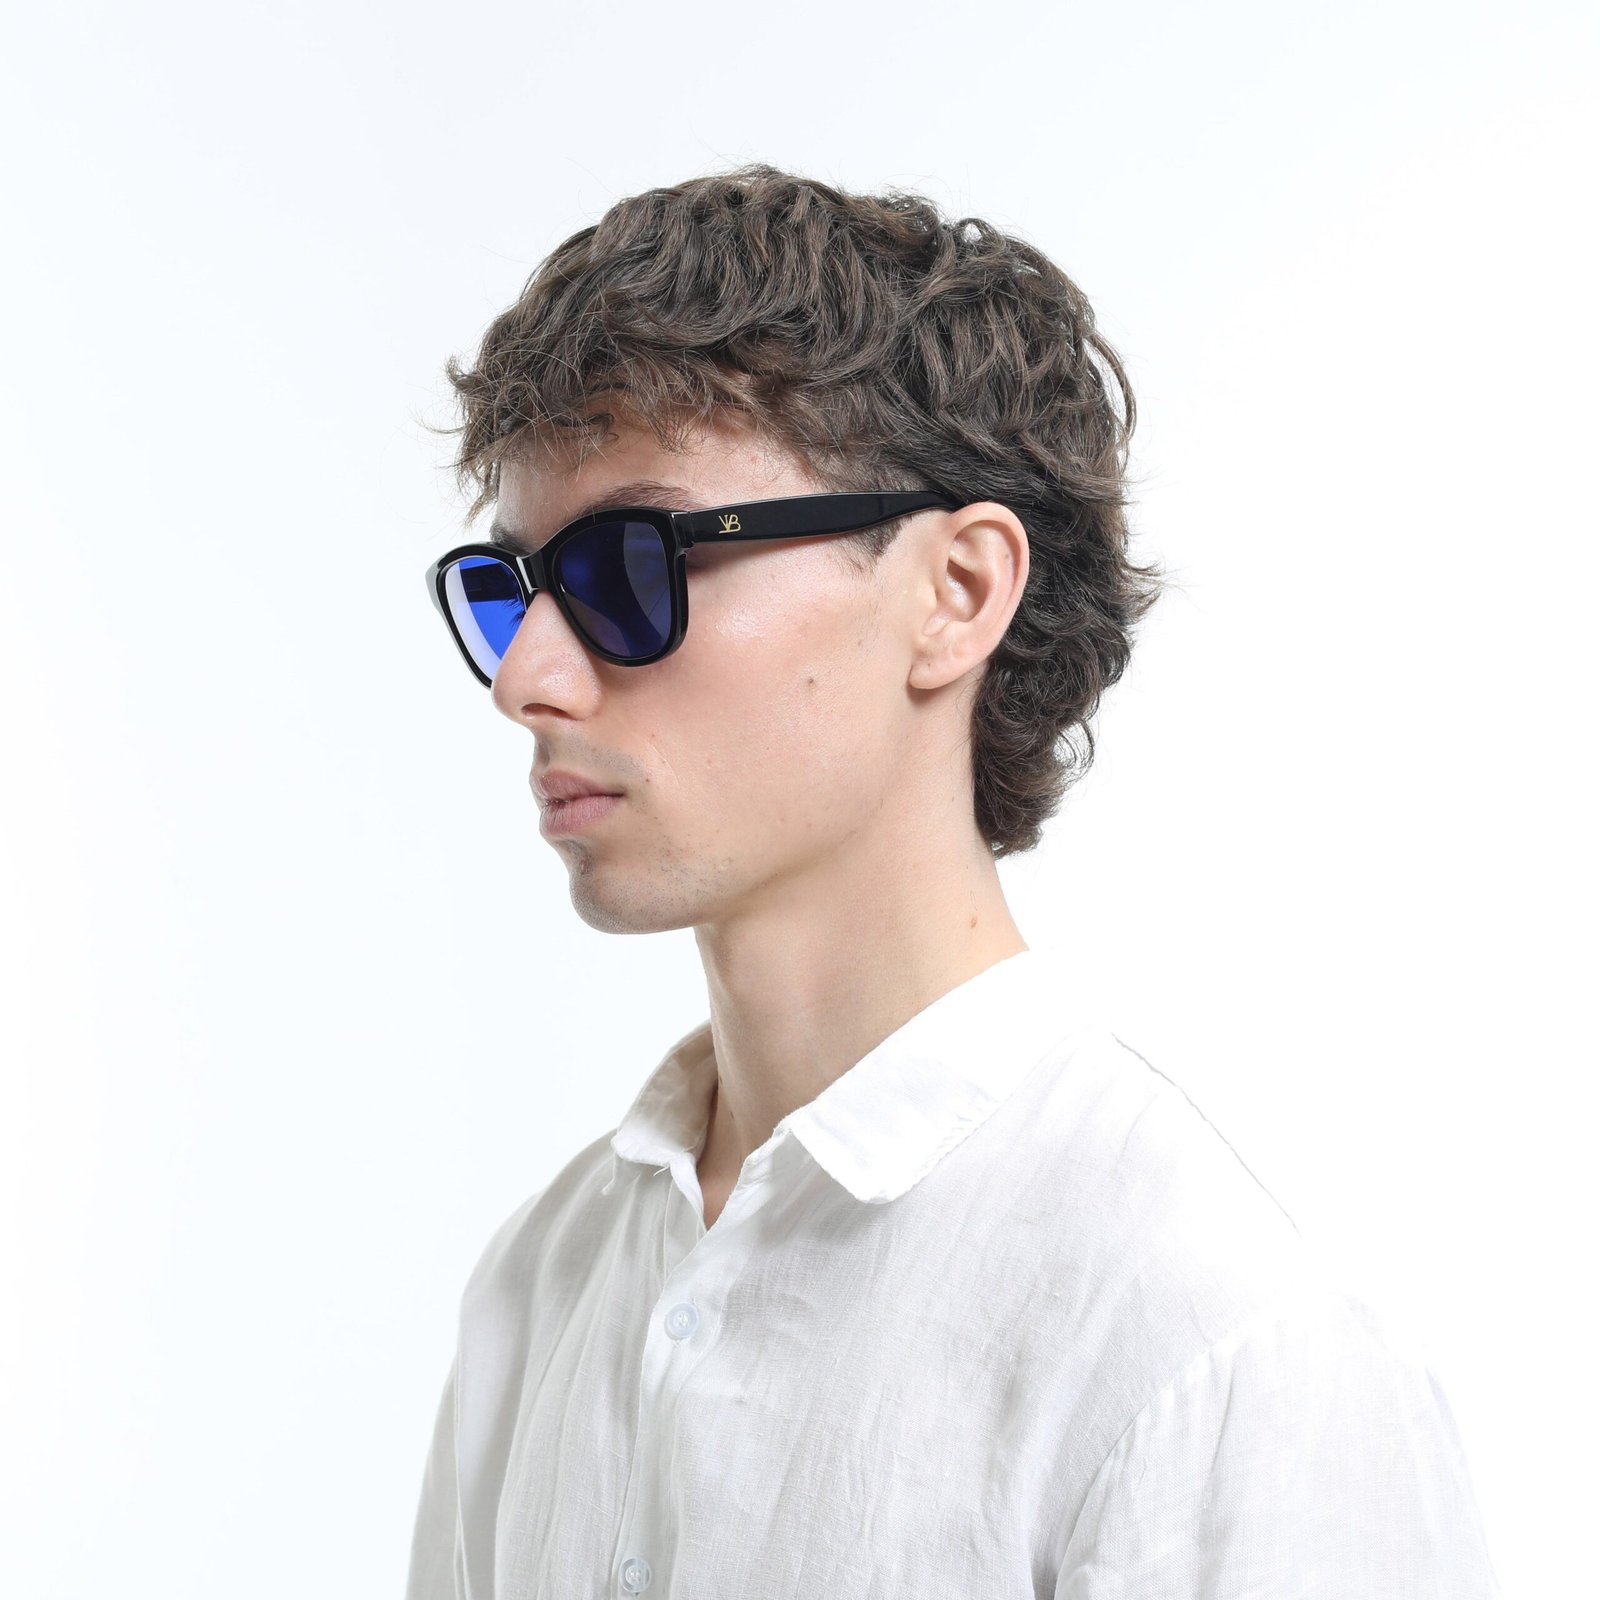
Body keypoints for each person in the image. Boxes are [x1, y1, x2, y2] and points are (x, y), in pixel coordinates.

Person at [406, 164, 1500, 1599]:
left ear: (958, 592)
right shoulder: (544, 1281)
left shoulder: (1213, 1340)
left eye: (629, 566)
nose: (529, 681)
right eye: (512, 592)